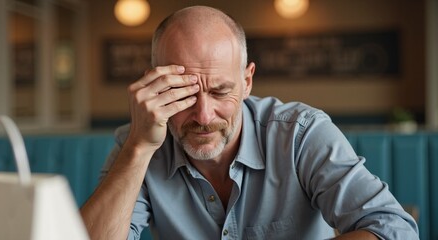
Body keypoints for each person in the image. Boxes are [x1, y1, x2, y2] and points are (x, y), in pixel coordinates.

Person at [80, 5, 419, 240]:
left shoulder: (301, 135)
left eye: (220, 91)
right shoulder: (139, 142)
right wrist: (139, 148)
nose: (203, 115)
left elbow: (393, 228)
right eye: (183, 95)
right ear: (157, 87)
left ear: (247, 81)